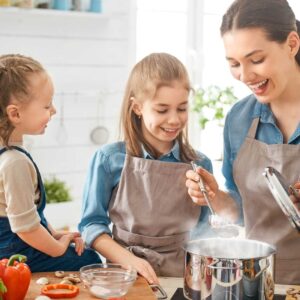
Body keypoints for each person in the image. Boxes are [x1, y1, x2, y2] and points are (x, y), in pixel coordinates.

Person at [78, 53, 230, 284]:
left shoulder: (200, 164)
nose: (174, 120)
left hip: (185, 274)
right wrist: (128, 260)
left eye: (181, 108)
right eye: (162, 110)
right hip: (125, 274)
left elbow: (205, 231)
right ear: (137, 107)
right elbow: (91, 226)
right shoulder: (109, 159)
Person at [186, 0, 300, 285]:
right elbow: (240, 209)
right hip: (259, 279)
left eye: (257, 60)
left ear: (292, 44)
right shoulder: (240, 118)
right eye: (235, 64)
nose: (245, 76)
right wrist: (217, 198)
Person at [0, 54, 101, 271]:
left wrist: (54, 234)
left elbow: (27, 212)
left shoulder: (7, 153)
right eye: (47, 106)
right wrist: (57, 247)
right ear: (15, 114)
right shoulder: (14, 162)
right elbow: (25, 228)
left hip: (16, 243)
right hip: (14, 254)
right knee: (89, 260)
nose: (53, 110)